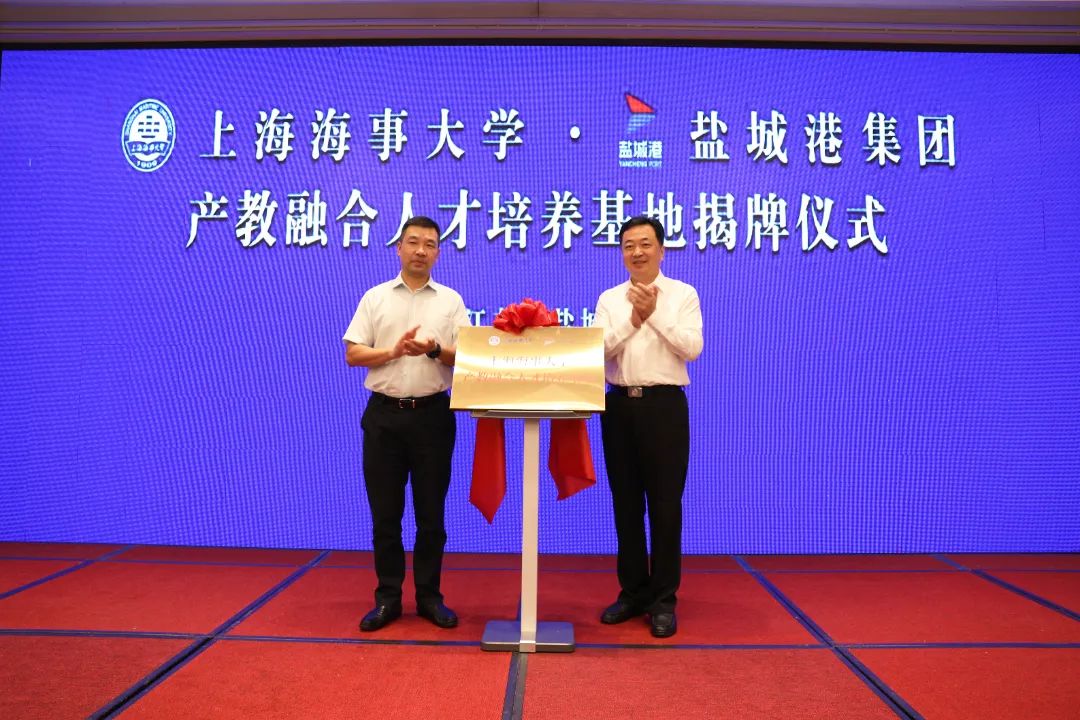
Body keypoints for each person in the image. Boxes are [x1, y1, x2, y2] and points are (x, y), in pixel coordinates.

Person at [343, 216, 469, 632]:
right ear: (399, 248)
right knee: (386, 515)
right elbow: (353, 354)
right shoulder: (375, 297)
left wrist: (433, 349)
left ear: (438, 253)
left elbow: (467, 356)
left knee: (431, 516)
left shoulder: (450, 301)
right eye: (413, 242)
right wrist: (392, 352)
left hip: (433, 417)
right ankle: (388, 598)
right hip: (383, 417)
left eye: (429, 244)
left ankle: (430, 598)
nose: (420, 250)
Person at [593, 216, 703, 638]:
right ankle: (633, 592)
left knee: (664, 506)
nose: (636, 252)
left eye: (644, 244)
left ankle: (663, 600)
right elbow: (597, 351)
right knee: (625, 505)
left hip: (664, 408)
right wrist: (633, 320)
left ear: (661, 249)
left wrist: (654, 314)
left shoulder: (683, 294)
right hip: (619, 406)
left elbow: (691, 348)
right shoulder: (609, 298)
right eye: (628, 245)